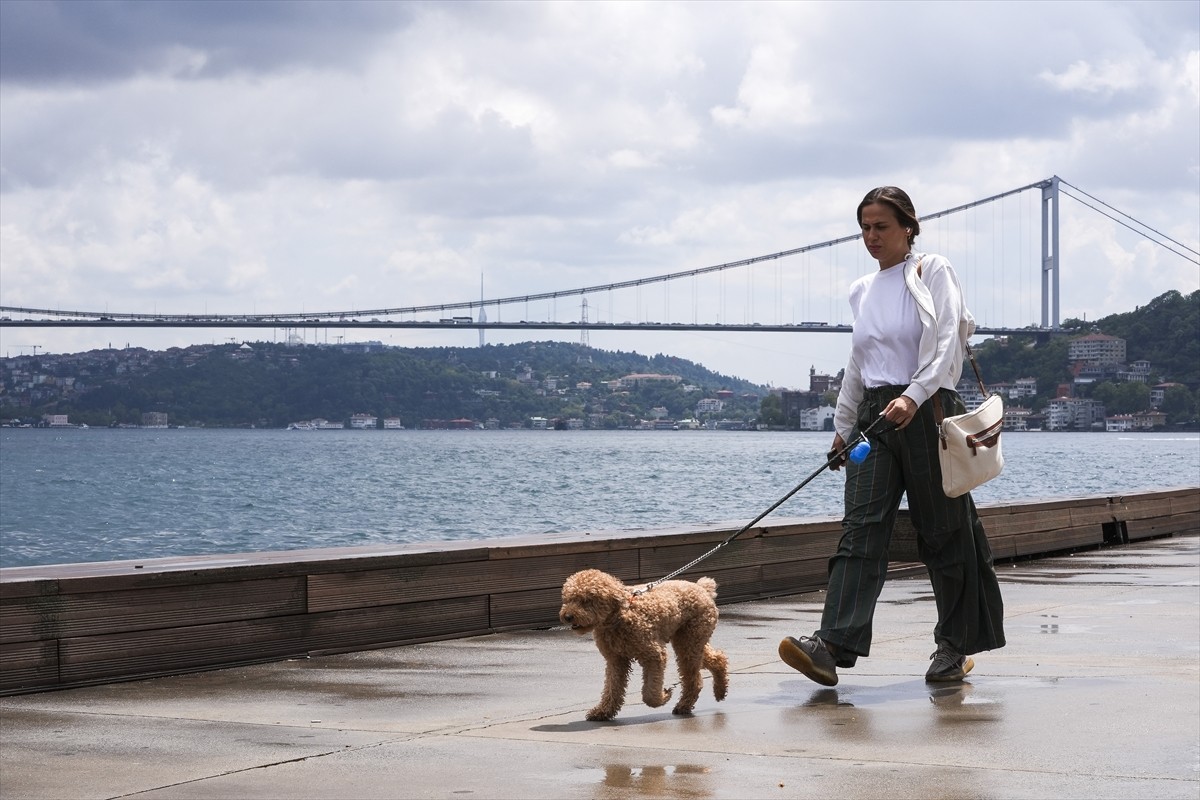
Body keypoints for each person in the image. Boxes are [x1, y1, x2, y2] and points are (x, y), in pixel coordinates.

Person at [779, 186, 1006, 686]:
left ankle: (953, 647)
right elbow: (858, 363)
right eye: (864, 227)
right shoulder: (861, 289)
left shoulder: (934, 271)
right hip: (875, 417)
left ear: (908, 227)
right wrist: (843, 428)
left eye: (881, 226)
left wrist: (917, 393)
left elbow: (946, 338)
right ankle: (832, 644)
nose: (871, 236)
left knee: (945, 531)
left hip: (927, 412)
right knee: (860, 528)